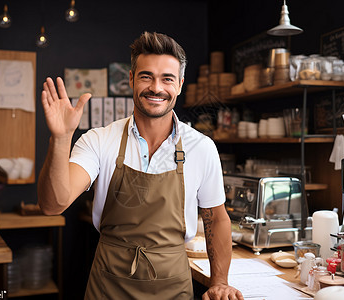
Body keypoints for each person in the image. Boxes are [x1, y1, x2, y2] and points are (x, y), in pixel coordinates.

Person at [38, 31, 243, 300]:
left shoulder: (201, 147)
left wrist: (219, 281)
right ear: (132, 79)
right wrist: (61, 139)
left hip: (172, 287)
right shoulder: (99, 140)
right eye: (146, 76)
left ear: (179, 84)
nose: (156, 88)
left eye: (167, 79)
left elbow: (216, 218)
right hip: (108, 286)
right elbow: (53, 205)